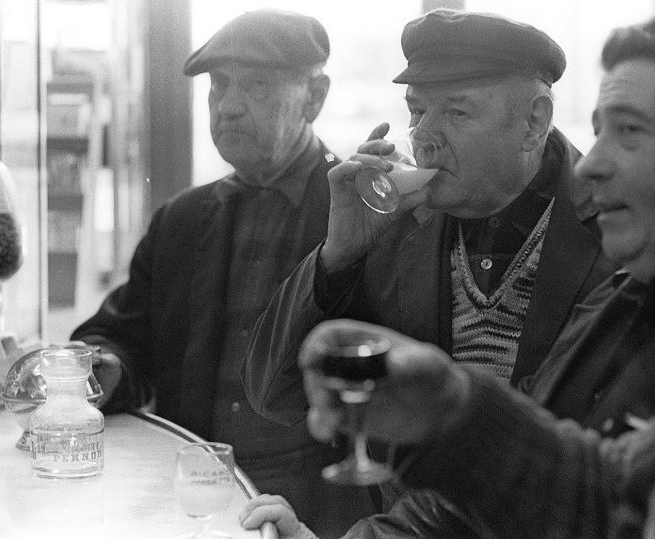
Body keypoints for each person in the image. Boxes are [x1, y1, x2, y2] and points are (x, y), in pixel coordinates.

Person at [240, 16, 655, 539]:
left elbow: (561, 485)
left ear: (533, 122)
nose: (423, 137)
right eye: (417, 111)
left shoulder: (624, 243)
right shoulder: (394, 223)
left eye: (456, 112)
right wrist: (336, 256)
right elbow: (275, 397)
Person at [69, 9, 376, 537]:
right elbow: (122, 337)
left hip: (319, 510)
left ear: (315, 97)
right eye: (218, 86)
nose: (228, 107)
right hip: (193, 500)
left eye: (256, 86)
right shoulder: (182, 219)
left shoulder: (359, 214)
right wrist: (105, 367)